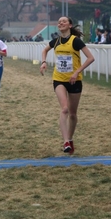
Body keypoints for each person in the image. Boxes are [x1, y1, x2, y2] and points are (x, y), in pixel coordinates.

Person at [40, 16, 94, 154]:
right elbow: (44, 50)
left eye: (64, 21)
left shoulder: (75, 41)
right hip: (59, 79)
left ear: (70, 25)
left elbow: (90, 58)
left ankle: (70, 139)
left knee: (73, 114)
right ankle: (65, 142)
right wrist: (44, 62)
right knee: (64, 109)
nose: (61, 23)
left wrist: (76, 72)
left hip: (74, 80)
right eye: (59, 22)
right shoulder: (56, 41)